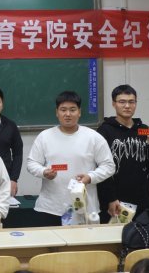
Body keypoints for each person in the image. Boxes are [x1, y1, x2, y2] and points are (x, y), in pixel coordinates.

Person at [27, 91, 115, 226]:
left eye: (72, 110)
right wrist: (43, 172)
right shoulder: (45, 136)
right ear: (57, 112)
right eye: (63, 110)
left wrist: (90, 177)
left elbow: (109, 166)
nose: (67, 114)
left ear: (79, 112)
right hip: (50, 207)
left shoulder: (93, 137)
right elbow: (32, 163)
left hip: (85, 207)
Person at [97, 85, 149, 223]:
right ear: (114, 104)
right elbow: (100, 168)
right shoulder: (104, 131)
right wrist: (110, 198)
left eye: (131, 102)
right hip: (115, 200)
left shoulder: (143, 130)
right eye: (122, 102)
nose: (127, 106)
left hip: (141, 200)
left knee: (140, 234)